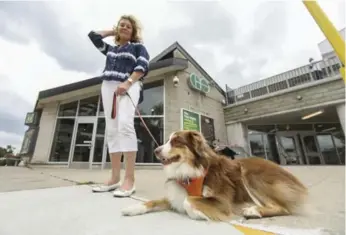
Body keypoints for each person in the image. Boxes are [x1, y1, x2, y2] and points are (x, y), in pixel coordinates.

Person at [88, 15, 150, 197]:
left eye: (128, 26)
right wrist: (114, 31)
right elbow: (93, 36)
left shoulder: (138, 47)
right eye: (121, 25)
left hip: (128, 85)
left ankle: (129, 180)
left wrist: (128, 82)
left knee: (124, 124)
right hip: (108, 86)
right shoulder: (111, 49)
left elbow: (142, 66)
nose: (124, 27)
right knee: (112, 130)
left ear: (133, 32)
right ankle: (114, 178)